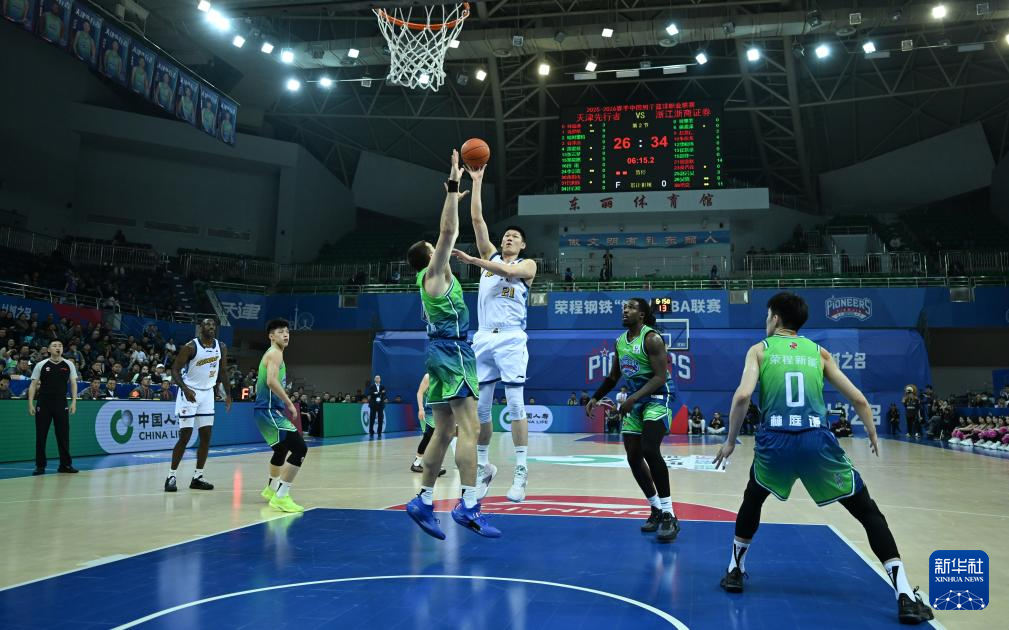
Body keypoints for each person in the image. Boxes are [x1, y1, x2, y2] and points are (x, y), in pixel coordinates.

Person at [712, 292, 933, 625]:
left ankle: (734, 570)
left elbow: (743, 395)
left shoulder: (759, 350)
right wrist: (872, 432)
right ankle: (904, 594)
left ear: (775, 318)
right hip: (818, 442)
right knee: (867, 512)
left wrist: (730, 441)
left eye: (767, 315)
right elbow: (859, 399)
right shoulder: (819, 352)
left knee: (753, 498)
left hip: (776, 443)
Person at [404, 150, 499, 539]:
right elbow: (448, 233)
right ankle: (469, 504)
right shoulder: (435, 273)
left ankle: (423, 500)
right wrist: (453, 187)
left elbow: (445, 232)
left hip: (439, 354)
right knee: (470, 430)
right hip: (454, 352)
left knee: (442, 431)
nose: (438, 247)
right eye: (434, 248)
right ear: (430, 256)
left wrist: (457, 195)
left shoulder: (426, 281)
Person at [451, 162, 536, 504]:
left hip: (512, 337)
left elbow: (505, 271)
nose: (508, 238)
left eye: (514, 236)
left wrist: (474, 261)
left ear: (523, 245)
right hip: (483, 337)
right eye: (506, 235)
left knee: (514, 404)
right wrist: (478, 181)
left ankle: (521, 469)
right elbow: (477, 220)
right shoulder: (491, 255)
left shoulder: (527, 266)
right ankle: (485, 466)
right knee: (482, 409)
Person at [586, 298, 680, 542]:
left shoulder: (652, 338)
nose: (625, 310)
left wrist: (632, 398)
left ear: (642, 315)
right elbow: (613, 377)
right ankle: (656, 509)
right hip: (636, 400)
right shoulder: (620, 342)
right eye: (624, 308)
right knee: (633, 456)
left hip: (659, 397)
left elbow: (660, 377)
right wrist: (595, 397)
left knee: (650, 449)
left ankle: (669, 514)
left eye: (631, 308)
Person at [165, 318, 231, 493]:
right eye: (207, 324)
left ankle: (198, 477)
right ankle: (171, 476)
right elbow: (174, 370)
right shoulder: (190, 347)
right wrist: (185, 389)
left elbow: (223, 371)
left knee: (206, 436)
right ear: (200, 328)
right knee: (185, 436)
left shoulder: (221, 346)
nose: (211, 327)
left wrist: (228, 395)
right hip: (190, 392)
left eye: (213, 325)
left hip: (208, 393)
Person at [255, 319, 307, 512]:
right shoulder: (275, 353)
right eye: (280, 332)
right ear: (271, 336)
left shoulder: (274, 353)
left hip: (265, 411)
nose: (285, 335)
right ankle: (281, 496)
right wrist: (289, 403)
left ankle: (271, 489)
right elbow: (270, 381)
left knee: (281, 449)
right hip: (269, 412)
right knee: (300, 449)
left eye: (287, 331)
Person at [27, 340, 78, 475]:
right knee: (41, 435)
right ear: (49, 349)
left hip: (61, 403)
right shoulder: (41, 364)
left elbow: (73, 383)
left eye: (60, 345)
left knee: (63, 435)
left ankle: (65, 465)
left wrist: (74, 402)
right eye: (54, 346)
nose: (58, 347)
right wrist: (30, 403)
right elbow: (33, 384)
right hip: (44, 403)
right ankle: (40, 466)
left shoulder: (69, 364)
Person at [411, 373, 445, 477]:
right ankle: (430, 465)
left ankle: (419, 463)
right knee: (430, 437)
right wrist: (421, 409)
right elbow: (420, 393)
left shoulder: (446, 375)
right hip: (428, 412)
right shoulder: (428, 376)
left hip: (439, 411)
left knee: (433, 438)